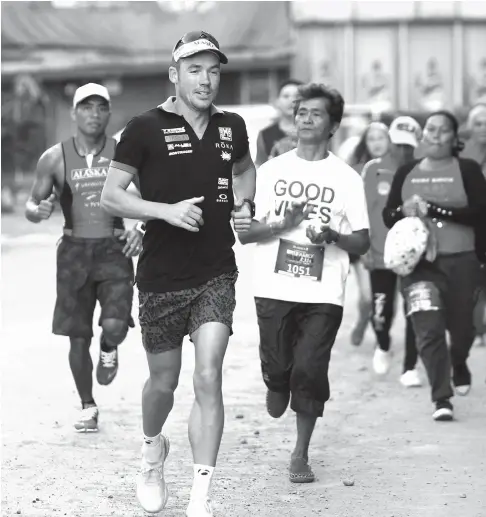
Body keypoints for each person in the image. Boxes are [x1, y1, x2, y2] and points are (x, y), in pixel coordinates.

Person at [100, 31, 256, 517]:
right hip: (162, 276)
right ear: (174, 74)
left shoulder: (233, 126)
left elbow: (245, 170)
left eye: (213, 70)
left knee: (209, 376)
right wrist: (164, 212)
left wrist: (244, 202)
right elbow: (112, 195)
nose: (206, 80)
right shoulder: (143, 127)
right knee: (163, 384)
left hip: (216, 271)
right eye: (195, 69)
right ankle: (152, 450)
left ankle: (200, 496)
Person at [239, 83, 370, 482]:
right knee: (280, 371)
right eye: (300, 112)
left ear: (333, 125)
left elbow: (362, 242)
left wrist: (332, 235)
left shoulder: (346, 178)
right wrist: (285, 223)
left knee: (310, 371)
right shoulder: (271, 172)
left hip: (324, 290)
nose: (306, 118)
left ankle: (300, 453)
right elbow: (246, 234)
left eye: (315, 113)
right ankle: (275, 381)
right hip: (274, 288)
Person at [24, 83, 143, 432]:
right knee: (78, 336)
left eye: (100, 107)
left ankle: (110, 345)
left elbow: (154, 196)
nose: (93, 113)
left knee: (115, 325)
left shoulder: (124, 153)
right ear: (74, 113)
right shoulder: (54, 157)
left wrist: (141, 228)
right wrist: (39, 209)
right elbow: (33, 204)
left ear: (108, 113)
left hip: (114, 247)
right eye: (86, 107)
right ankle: (88, 406)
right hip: (74, 252)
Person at [383, 110, 486, 421]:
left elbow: (479, 212)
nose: (436, 135)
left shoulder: (465, 168)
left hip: (462, 261)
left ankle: (459, 360)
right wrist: (404, 210)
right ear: (423, 134)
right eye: (431, 129)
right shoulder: (406, 171)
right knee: (427, 329)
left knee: (463, 329)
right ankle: (441, 396)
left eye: (443, 130)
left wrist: (438, 209)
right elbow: (388, 216)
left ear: (455, 138)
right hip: (419, 267)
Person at [361, 116, 421, 385]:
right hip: (381, 252)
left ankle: (410, 366)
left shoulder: (420, 169)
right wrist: (364, 247)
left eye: (408, 145)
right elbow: (362, 211)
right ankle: (383, 345)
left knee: (415, 310)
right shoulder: (374, 169)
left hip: (414, 255)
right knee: (381, 312)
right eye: (397, 143)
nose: (402, 150)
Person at [347, 122, 390, 346]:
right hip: (363, 241)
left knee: (383, 296)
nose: (376, 143)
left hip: (390, 244)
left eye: (381, 138)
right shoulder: (355, 171)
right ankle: (363, 320)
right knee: (367, 295)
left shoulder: (397, 167)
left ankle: (381, 331)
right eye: (371, 138)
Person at [462, 104, 486, 346]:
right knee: (475, 279)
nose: (484, 128)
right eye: (478, 124)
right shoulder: (464, 155)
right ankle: (478, 328)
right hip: (471, 225)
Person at [255, 79, 303, 167]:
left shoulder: (317, 132)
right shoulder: (265, 135)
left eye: (297, 96)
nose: (292, 100)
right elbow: (260, 167)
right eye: (286, 96)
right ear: (277, 102)